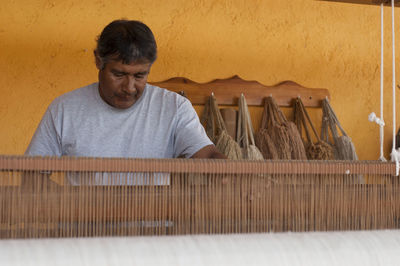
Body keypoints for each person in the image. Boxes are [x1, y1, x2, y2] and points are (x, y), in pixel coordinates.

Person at [25, 19, 225, 184]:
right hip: (84, 230)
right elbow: (32, 176)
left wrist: (226, 173)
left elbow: (206, 156)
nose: (129, 87)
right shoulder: (65, 110)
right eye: (119, 74)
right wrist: (77, 207)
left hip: (151, 231)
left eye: (140, 75)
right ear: (98, 61)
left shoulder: (174, 108)